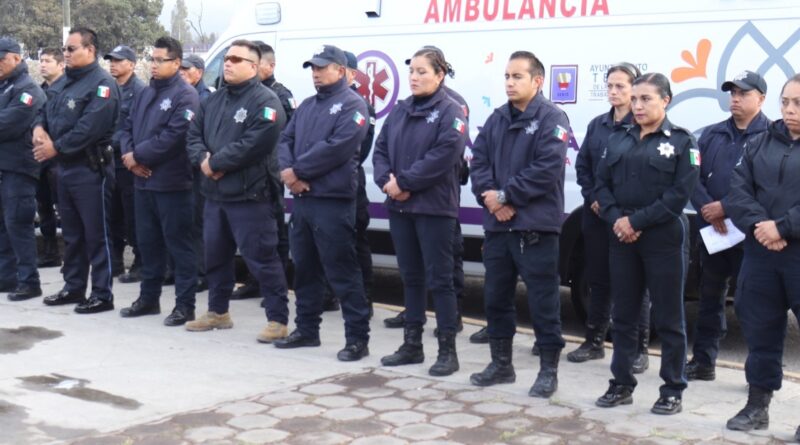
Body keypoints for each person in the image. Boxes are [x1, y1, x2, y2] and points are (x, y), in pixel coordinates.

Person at [593, 73, 698, 415]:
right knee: (623, 315)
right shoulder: (618, 138)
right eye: (635, 98)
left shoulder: (682, 142)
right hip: (622, 236)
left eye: (646, 99)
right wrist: (617, 220)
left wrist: (635, 222)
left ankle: (672, 389)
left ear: (665, 100)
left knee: (668, 318)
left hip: (662, 238)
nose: (637, 105)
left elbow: (678, 195)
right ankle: (621, 383)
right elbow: (601, 184)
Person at [468, 51, 567, 396]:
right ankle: (501, 365)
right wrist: (490, 199)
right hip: (498, 227)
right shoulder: (497, 118)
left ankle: (548, 372)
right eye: (507, 76)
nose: (510, 83)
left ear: (537, 81)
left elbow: (547, 168)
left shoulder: (552, 117)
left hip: (535, 228)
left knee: (543, 302)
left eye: (517, 76)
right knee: (496, 298)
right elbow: (478, 162)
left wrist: (506, 196)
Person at [184, 40, 289, 343]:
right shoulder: (213, 100)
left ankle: (278, 319)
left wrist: (216, 162)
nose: (228, 63)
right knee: (216, 257)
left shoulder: (266, 101)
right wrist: (203, 160)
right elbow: (193, 135)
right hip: (215, 194)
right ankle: (218, 312)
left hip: (250, 195)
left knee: (262, 259)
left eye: (236, 59)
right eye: (227, 58)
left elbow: (257, 143)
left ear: (254, 67)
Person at [373, 47, 467, 376]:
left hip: (434, 208)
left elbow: (444, 155)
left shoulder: (451, 111)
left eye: (422, 71)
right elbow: (380, 149)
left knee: (440, 281)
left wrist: (405, 182)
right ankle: (412, 345)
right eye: (412, 71)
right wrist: (387, 183)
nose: (414, 77)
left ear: (440, 75)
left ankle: (447, 352)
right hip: (401, 206)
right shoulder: (400, 110)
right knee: (411, 277)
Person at [274, 44, 371, 361]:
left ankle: (357, 338)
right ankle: (306, 329)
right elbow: (285, 140)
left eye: (321, 67)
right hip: (303, 200)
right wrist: (289, 173)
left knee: (343, 272)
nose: (315, 73)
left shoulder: (353, 105)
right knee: (305, 269)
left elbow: (337, 148)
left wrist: (298, 171)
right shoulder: (307, 106)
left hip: (332, 202)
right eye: (313, 68)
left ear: (340, 70)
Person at [724, 74, 800, 439]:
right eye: (786, 102)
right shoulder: (759, 143)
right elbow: (738, 191)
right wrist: (761, 226)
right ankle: (757, 406)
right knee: (760, 330)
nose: (790, 110)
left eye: (798, 103)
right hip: (761, 253)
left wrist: (783, 228)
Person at [569, 63, 652, 373]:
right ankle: (594, 342)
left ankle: (639, 349)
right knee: (598, 279)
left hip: (625, 218)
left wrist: (612, 205)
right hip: (596, 215)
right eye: (610, 86)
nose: (614, 92)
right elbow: (583, 166)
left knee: (633, 283)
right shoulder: (597, 125)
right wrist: (594, 197)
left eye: (621, 86)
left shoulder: (642, 125)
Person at [687, 70, 769, 381]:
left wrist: (727, 208)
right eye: (732, 93)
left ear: (760, 99)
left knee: (753, 305)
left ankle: (758, 375)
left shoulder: (771, 136)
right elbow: (691, 176)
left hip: (750, 235)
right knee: (709, 298)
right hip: (714, 234)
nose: (735, 99)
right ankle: (703, 362)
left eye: (743, 93)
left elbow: (767, 187)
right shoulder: (712, 134)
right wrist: (708, 209)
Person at [33, 27, 120, 314]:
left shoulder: (102, 85)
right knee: (72, 234)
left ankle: (102, 294)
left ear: (90, 50)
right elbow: (44, 110)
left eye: (71, 49)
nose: (66, 54)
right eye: (65, 49)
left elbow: (88, 129)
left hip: (90, 169)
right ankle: (73, 286)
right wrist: (38, 128)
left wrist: (55, 147)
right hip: (64, 168)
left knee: (96, 234)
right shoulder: (65, 82)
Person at [117, 36, 200, 326]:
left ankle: (185, 305)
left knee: (179, 247)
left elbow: (174, 137)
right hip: (143, 182)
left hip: (172, 184)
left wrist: (138, 156)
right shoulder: (145, 92)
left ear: (176, 63)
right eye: (152, 59)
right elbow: (126, 127)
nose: (153, 65)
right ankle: (148, 299)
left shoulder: (186, 95)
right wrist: (130, 156)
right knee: (148, 243)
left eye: (160, 60)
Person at [230, 41, 296, 301]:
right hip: (245, 172)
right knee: (251, 235)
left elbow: (288, 135)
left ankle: (275, 285)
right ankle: (253, 281)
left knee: (274, 231)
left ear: (270, 66)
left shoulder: (279, 95)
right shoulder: (242, 94)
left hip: (270, 171)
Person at [0, 37, 46, 301]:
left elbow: (7, 124)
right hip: (4, 168)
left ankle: (29, 281)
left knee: (19, 224)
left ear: (16, 58)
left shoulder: (27, 89)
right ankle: (6, 277)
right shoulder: (5, 86)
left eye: (1, 59)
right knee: (3, 225)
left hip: (19, 168)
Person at [105, 45, 145, 283]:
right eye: (111, 60)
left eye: (118, 61)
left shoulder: (140, 91)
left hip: (127, 161)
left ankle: (141, 263)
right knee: (113, 215)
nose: (113, 64)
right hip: (109, 162)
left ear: (131, 64)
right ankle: (115, 262)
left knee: (133, 216)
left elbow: (135, 127)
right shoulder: (109, 88)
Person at [178, 53, 212, 290]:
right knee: (185, 221)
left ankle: (202, 272)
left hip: (199, 168)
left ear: (199, 72)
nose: (182, 73)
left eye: (186, 69)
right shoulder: (182, 94)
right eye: (180, 69)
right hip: (182, 168)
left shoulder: (204, 97)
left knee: (199, 222)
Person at [36, 47, 65, 269]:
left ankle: (72, 255)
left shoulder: (68, 89)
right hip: (41, 158)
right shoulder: (39, 91)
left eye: (48, 61)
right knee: (44, 205)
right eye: (41, 61)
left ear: (61, 65)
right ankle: (50, 252)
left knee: (64, 207)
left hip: (61, 156)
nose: (43, 65)